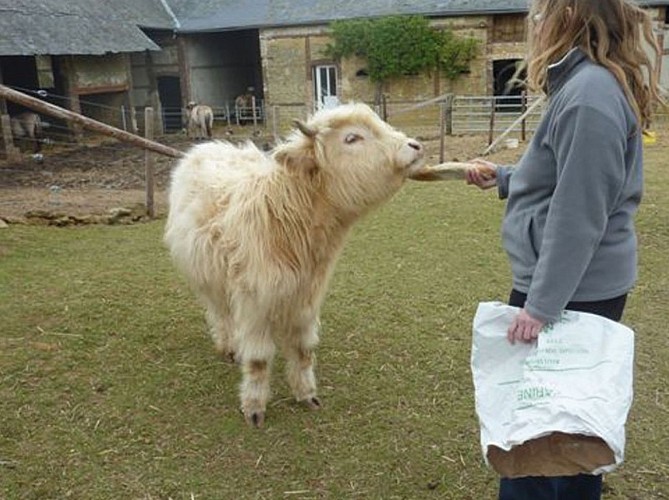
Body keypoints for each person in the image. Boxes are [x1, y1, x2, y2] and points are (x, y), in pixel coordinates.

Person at [465, 0, 664, 499]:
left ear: (570, 15)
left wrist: (541, 306)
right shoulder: (581, 87)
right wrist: (507, 178)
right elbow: (564, 175)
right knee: (540, 418)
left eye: (541, 13)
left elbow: (580, 214)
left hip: (571, 291)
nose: (535, 24)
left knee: (562, 430)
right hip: (561, 285)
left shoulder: (589, 96)